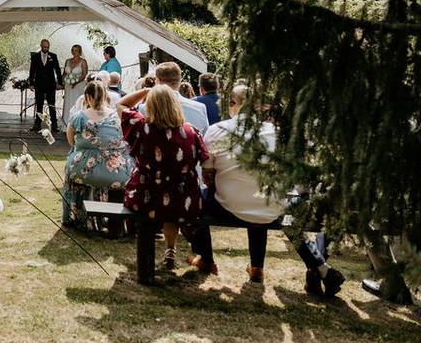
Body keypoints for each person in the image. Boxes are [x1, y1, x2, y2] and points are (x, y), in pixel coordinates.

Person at [186, 85, 346, 294]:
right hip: (272, 209)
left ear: (232, 104)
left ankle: (206, 258)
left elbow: (207, 175)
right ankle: (270, 268)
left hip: (229, 205)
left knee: (196, 197)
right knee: (274, 205)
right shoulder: (278, 134)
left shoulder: (217, 130)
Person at [118, 84, 209, 269]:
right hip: (183, 200)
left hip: (145, 196)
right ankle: (170, 248)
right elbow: (206, 163)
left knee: (156, 205)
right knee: (171, 204)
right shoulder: (191, 131)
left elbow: (121, 104)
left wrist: (145, 91)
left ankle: (154, 257)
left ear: (150, 105)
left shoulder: (141, 126)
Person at [62, 81, 133, 228]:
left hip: (84, 171)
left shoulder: (78, 117)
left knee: (71, 163)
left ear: (87, 97)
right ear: (105, 96)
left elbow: (71, 142)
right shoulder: (117, 117)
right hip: (117, 171)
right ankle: (117, 223)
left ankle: (75, 216)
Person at [139, 62, 210, 135]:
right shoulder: (200, 108)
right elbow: (205, 139)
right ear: (180, 80)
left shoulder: (144, 109)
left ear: (157, 81)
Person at [28, 38, 63, 134]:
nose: (46, 48)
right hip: (39, 84)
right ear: (41, 46)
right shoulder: (35, 56)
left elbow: (57, 70)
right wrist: (31, 83)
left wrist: (60, 83)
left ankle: (54, 125)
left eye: (47, 47)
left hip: (51, 85)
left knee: (52, 105)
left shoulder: (53, 56)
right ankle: (37, 124)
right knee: (39, 105)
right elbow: (32, 70)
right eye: (44, 47)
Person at [61, 44, 89, 126]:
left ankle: (76, 125)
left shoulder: (83, 62)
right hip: (68, 86)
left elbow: (84, 74)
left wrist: (76, 82)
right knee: (68, 103)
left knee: (76, 103)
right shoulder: (67, 61)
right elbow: (64, 74)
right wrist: (62, 81)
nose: (74, 52)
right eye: (73, 50)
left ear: (80, 52)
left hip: (79, 86)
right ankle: (66, 123)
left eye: (76, 50)